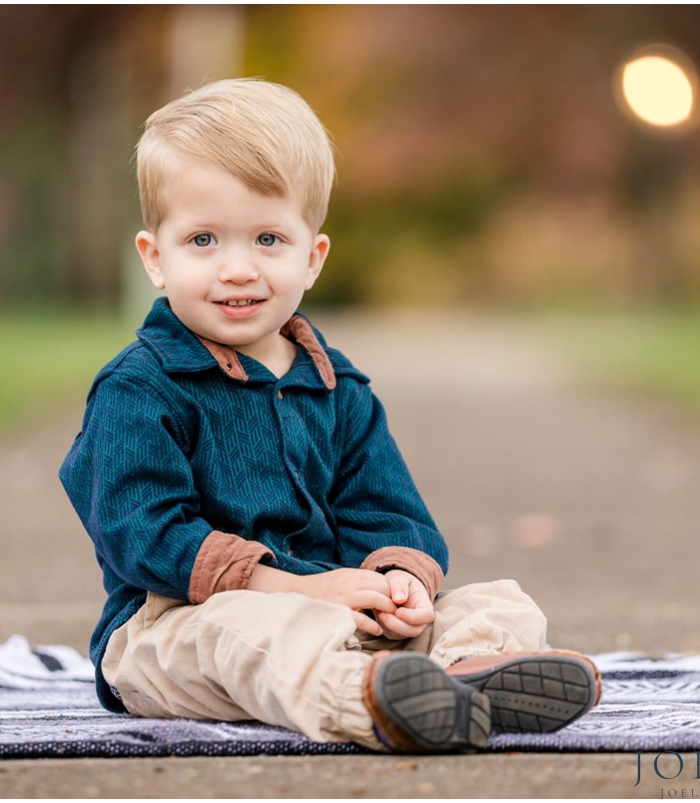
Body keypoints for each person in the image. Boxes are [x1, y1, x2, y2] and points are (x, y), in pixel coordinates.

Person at [59, 78, 601, 753]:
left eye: (267, 238)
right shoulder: (139, 389)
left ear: (311, 258)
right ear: (155, 258)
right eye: (203, 239)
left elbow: (386, 509)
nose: (237, 268)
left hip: (343, 612)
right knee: (255, 634)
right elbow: (141, 533)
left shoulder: (338, 387)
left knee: (498, 601)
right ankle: (375, 699)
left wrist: (398, 581)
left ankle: (466, 676)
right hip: (174, 629)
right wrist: (293, 587)